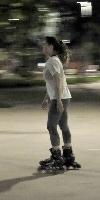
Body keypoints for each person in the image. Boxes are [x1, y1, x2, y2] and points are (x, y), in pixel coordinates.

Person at [39, 36, 81, 169]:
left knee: (51, 126)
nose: (43, 46)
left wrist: (58, 101)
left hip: (60, 98)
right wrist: (46, 98)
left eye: (45, 44)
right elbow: (52, 83)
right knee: (63, 125)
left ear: (51, 47)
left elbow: (58, 81)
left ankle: (57, 157)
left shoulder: (52, 61)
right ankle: (68, 155)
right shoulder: (54, 60)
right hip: (62, 97)